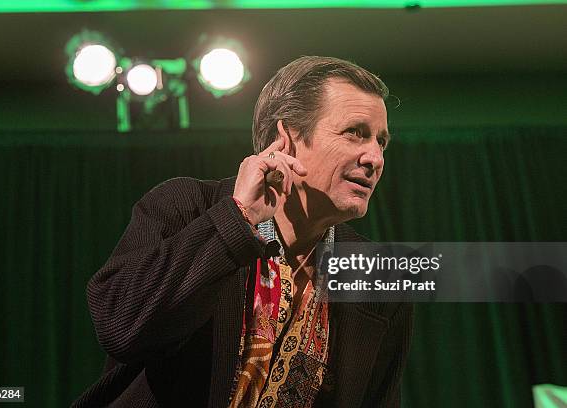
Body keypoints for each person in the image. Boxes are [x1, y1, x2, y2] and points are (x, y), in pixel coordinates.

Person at [72, 56, 413, 408]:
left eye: (381, 142)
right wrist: (238, 219)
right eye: (354, 133)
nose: (374, 157)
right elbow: (120, 328)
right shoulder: (186, 206)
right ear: (287, 139)